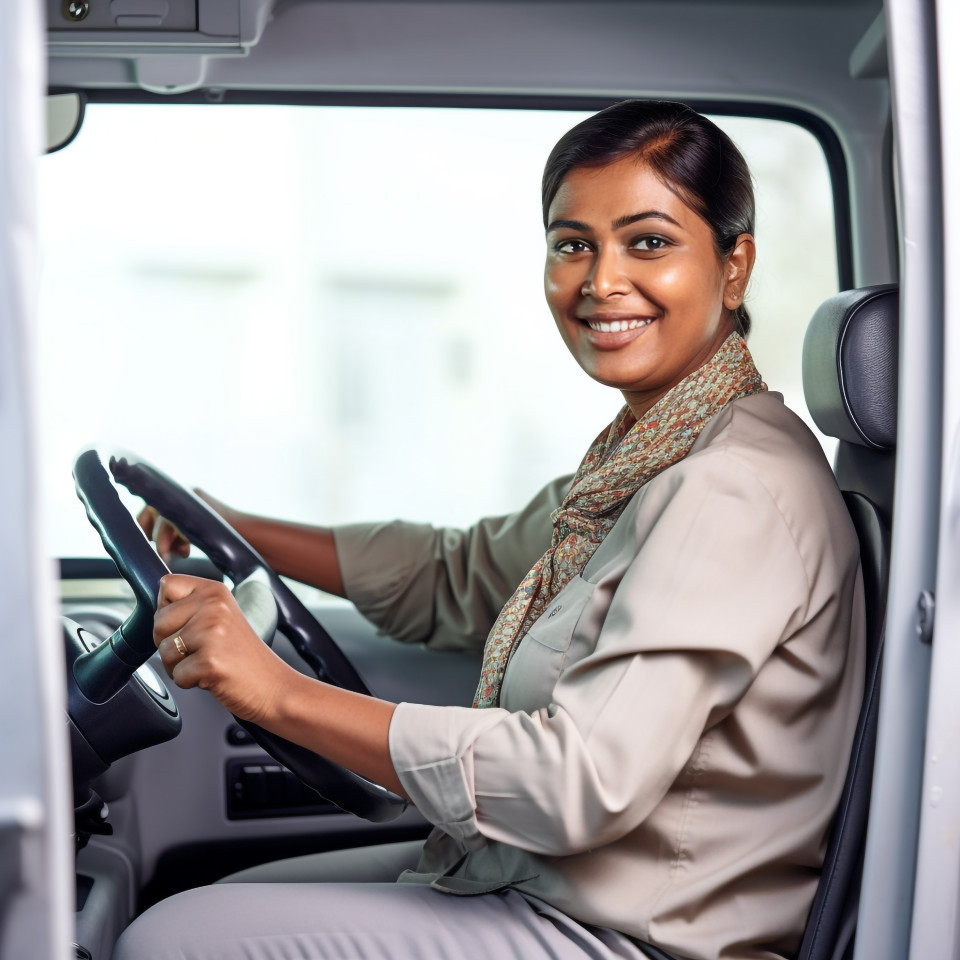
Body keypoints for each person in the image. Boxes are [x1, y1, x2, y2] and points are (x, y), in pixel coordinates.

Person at [115, 100, 865, 960]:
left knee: (170, 943)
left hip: (627, 933)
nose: (599, 282)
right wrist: (230, 526)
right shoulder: (649, 455)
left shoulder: (732, 490)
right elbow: (457, 574)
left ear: (734, 268)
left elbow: (578, 779)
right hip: (547, 878)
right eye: (572, 243)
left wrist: (278, 692)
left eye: (648, 242)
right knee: (216, 905)